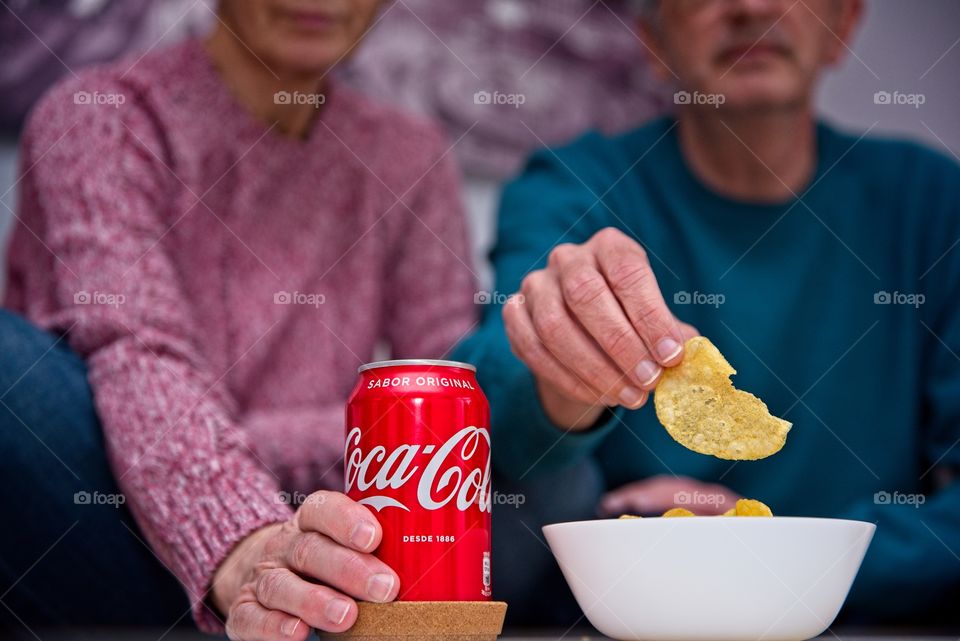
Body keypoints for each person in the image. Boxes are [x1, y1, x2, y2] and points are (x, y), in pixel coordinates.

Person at [456, 0, 960, 624]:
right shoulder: (571, 186)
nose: (752, 8)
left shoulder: (933, 204)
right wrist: (559, 372)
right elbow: (484, 412)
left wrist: (766, 547)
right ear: (655, 43)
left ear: (843, 26)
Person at [0, 1, 476, 639]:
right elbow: (136, 352)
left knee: (540, 488)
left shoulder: (408, 155)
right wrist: (244, 543)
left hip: (332, 528)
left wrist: (256, 451)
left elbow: (453, 405)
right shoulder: (100, 117)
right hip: (116, 518)